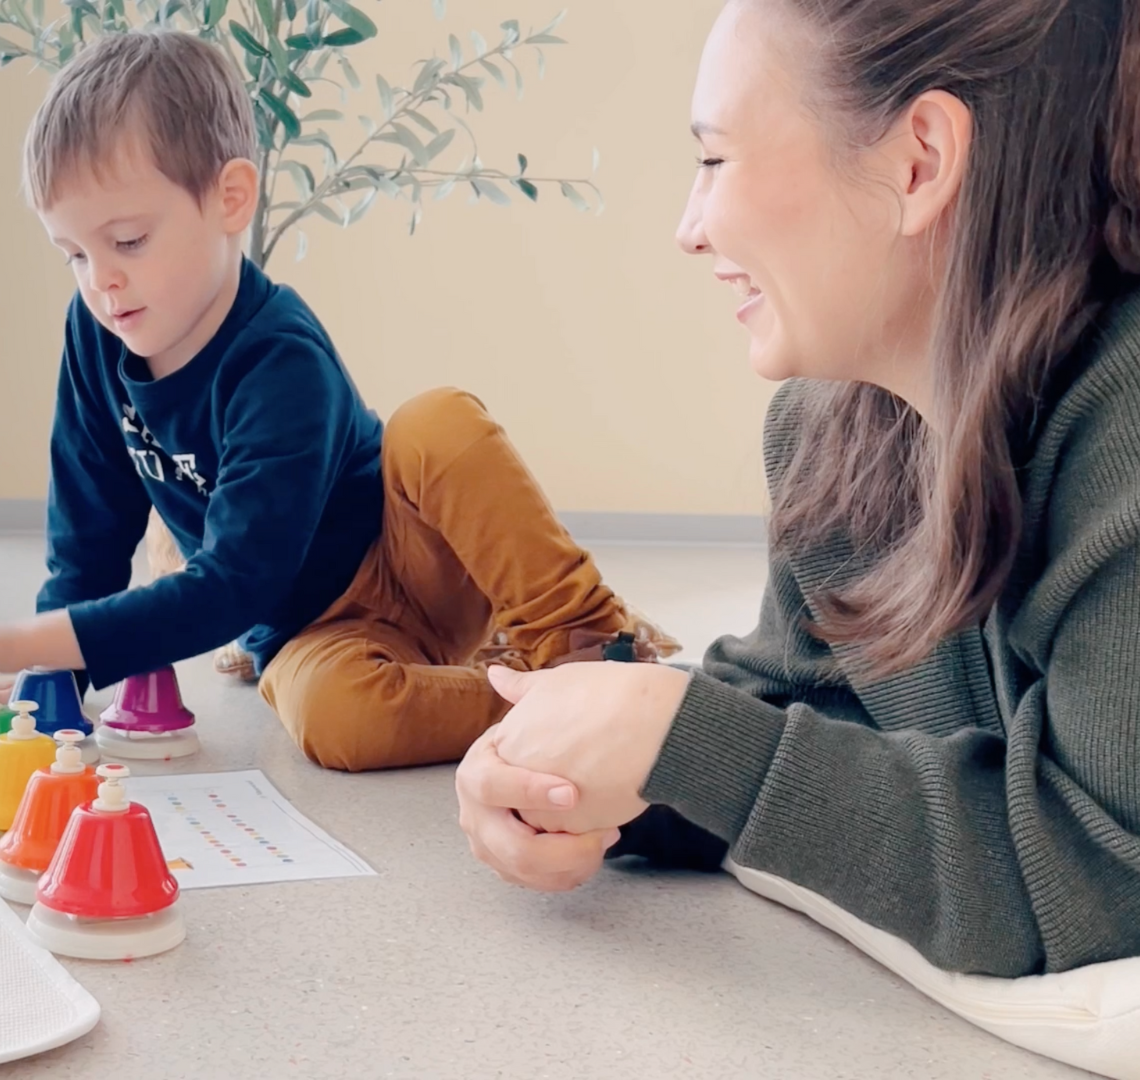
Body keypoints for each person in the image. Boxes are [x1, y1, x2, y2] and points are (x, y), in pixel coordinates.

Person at [456, 0, 1140, 978]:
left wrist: (689, 739)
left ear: (919, 164)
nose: (689, 230)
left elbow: (1104, 877)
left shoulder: (1124, 426)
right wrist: (593, 772)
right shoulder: (834, 432)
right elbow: (802, 714)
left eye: (715, 159)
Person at [0, 30, 678, 772]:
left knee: (437, 422)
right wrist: (52, 681)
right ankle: (533, 697)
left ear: (230, 199)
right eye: (73, 254)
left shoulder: (280, 355)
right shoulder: (96, 338)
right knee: (339, 724)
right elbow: (87, 534)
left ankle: (588, 650)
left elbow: (234, 582)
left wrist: (23, 642)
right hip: (314, 631)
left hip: (415, 553)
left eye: (126, 242)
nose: (100, 281)